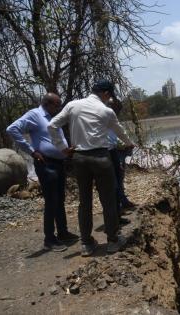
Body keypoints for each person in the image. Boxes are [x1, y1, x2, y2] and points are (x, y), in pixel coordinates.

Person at [47, 79, 135, 257]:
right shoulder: (106, 111)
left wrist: (62, 148)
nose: (108, 99)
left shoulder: (73, 105)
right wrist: (129, 143)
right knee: (108, 200)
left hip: (79, 159)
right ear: (105, 93)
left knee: (84, 202)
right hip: (101, 158)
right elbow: (120, 132)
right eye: (109, 96)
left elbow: (52, 125)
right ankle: (112, 241)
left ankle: (86, 244)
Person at [6, 93, 79, 252]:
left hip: (59, 163)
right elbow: (12, 129)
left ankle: (63, 232)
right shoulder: (35, 114)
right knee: (51, 200)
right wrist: (32, 151)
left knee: (60, 198)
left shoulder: (53, 118)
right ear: (47, 104)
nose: (59, 107)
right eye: (57, 104)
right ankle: (49, 239)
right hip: (46, 164)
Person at [106, 98, 136, 223]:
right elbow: (111, 140)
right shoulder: (105, 117)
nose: (117, 110)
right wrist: (126, 144)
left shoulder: (111, 118)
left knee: (119, 180)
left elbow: (116, 136)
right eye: (115, 107)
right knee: (115, 184)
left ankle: (122, 203)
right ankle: (117, 213)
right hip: (112, 153)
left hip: (116, 152)